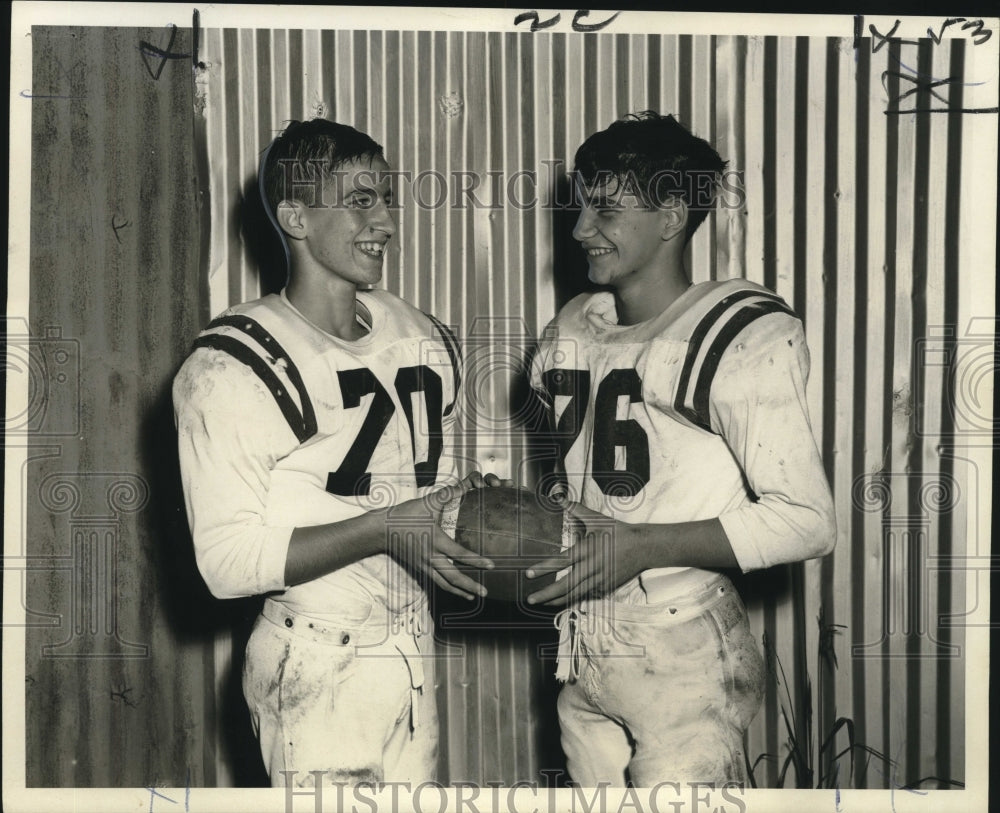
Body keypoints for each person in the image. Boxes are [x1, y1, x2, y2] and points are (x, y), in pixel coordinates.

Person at [173, 119, 501, 788]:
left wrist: (473, 508)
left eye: (386, 196)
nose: (384, 218)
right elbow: (226, 565)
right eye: (359, 200)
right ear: (294, 216)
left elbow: (413, 489)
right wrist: (386, 528)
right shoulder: (231, 363)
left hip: (410, 644)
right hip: (315, 656)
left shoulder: (420, 332)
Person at [526, 111, 836, 787]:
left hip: (684, 641)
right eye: (582, 206)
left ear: (670, 216)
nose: (581, 229)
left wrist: (642, 545)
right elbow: (580, 473)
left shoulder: (740, 332)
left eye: (605, 209)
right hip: (585, 645)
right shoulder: (573, 327)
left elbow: (807, 521)